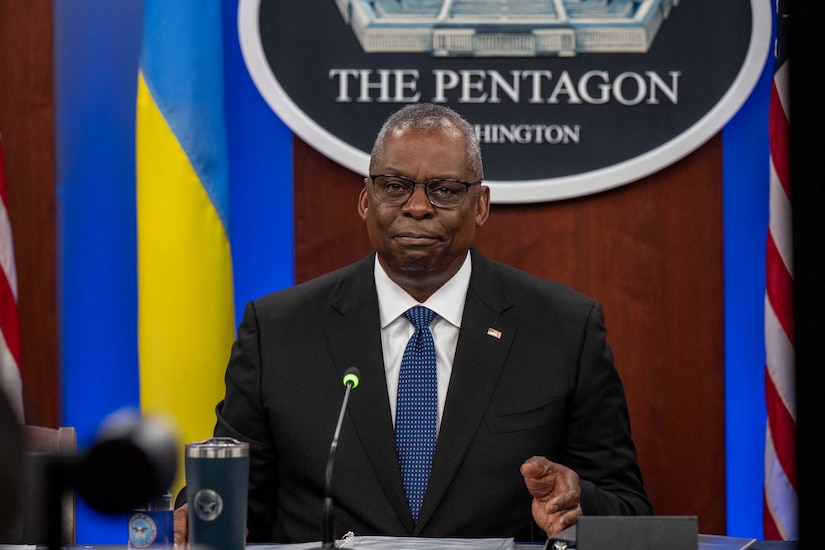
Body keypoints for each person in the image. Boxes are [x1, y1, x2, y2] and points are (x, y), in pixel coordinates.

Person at [174, 103, 651, 544]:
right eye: (395, 186)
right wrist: (195, 515)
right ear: (366, 200)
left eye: (444, 190)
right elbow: (230, 500)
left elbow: (629, 512)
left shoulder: (563, 329)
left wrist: (576, 502)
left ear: (480, 205)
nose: (417, 207)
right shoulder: (278, 331)